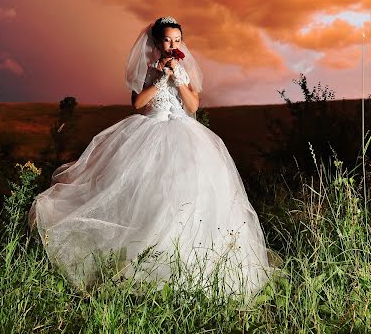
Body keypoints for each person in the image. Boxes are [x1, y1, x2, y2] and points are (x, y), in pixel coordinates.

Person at [29, 16, 273, 296]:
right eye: (168, 40)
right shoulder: (148, 69)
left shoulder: (187, 69)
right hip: (150, 132)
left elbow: (193, 105)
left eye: (178, 40)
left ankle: (191, 268)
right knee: (149, 199)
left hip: (186, 135)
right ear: (157, 43)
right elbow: (138, 103)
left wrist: (179, 78)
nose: (173, 45)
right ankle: (142, 265)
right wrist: (161, 78)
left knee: (190, 197)